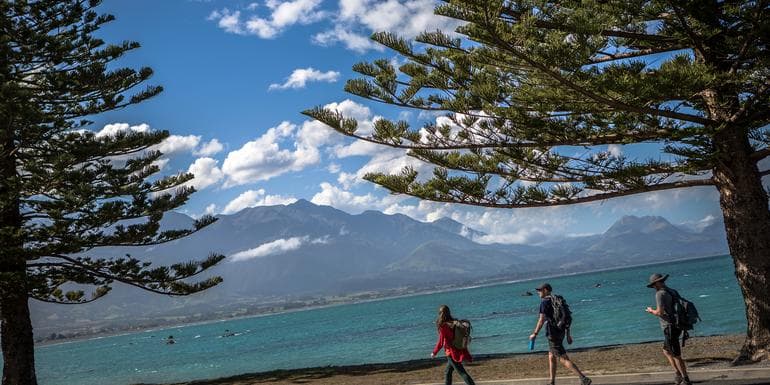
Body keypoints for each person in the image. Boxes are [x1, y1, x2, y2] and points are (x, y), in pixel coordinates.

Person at [529, 283, 591, 385]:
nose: (538, 292)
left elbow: (541, 320)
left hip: (552, 333)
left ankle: (583, 378)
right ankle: (552, 381)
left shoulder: (544, 302)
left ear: (545, 290)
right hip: (561, 331)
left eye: (539, 290)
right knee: (551, 355)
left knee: (563, 358)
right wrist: (568, 334)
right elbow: (566, 316)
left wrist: (535, 333)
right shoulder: (557, 299)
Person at [645, 273, 692, 385]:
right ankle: (677, 374)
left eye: (653, 285)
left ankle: (685, 379)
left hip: (669, 326)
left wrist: (651, 311)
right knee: (666, 351)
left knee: (676, 354)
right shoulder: (672, 291)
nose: (653, 288)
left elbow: (660, 312)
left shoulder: (660, 294)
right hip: (677, 325)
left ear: (656, 283)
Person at [431, 305, 476, 385]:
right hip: (458, 349)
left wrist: (434, 352)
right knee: (448, 372)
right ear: (449, 312)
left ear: (440, 314)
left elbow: (441, 342)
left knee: (462, 373)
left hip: (451, 353)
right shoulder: (454, 322)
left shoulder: (443, 326)